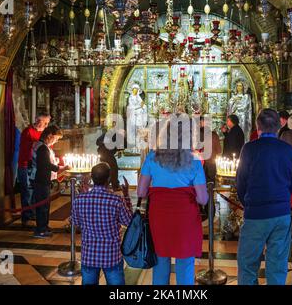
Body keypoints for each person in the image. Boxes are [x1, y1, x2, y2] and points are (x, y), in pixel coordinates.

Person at [137, 119, 209, 285]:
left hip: (159, 215)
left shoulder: (152, 157)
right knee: (185, 263)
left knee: (161, 260)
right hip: (185, 217)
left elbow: (141, 192)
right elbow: (203, 198)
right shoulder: (195, 160)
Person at [236, 109, 292, 285]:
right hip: (281, 214)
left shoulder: (249, 149)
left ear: (258, 126)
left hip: (256, 214)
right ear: (279, 126)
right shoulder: (287, 150)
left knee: (248, 264)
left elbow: (240, 183)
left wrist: (248, 204)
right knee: (277, 265)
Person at [72, 163, 132, 285]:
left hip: (89, 254)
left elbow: (76, 223)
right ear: (109, 179)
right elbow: (129, 222)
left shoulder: (79, 200)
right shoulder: (115, 200)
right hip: (111, 254)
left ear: (92, 178)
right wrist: (126, 196)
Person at [31, 126, 69, 238]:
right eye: (56, 138)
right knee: (42, 206)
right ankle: (40, 230)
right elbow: (45, 165)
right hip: (41, 179)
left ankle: (44, 226)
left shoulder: (42, 146)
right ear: (49, 136)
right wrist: (60, 168)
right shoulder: (42, 148)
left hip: (42, 179)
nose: (56, 141)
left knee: (45, 205)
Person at [17, 114, 50, 226]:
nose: (46, 125)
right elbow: (34, 147)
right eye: (44, 123)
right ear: (37, 120)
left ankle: (34, 215)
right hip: (26, 166)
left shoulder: (42, 133)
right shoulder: (28, 132)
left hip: (36, 167)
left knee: (35, 192)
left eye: (47, 123)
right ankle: (26, 217)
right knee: (27, 191)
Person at [96, 123, 125, 191]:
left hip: (106, 153)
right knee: (113, 168)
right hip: (105, 153)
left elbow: (119, 146)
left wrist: (119, 151)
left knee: (109, 169)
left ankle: (106, 185)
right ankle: (114, 186)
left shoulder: (116, 135)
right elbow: (98, 142)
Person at [200, 116, 222, 184]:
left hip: (200, 162)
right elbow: (219, 150)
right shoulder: (214, 135)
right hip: (211, 161)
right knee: (211, 182)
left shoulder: (197, 135)